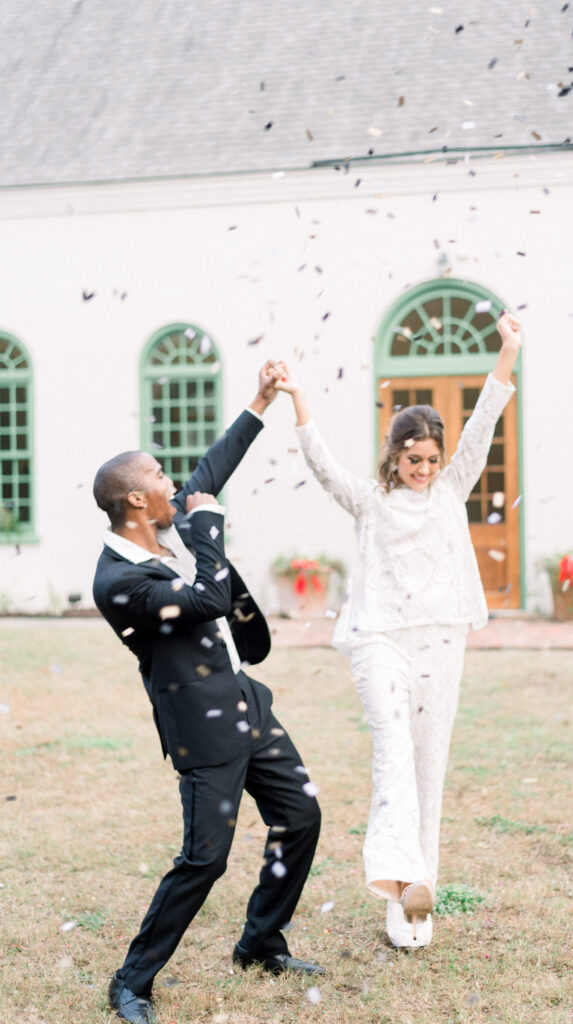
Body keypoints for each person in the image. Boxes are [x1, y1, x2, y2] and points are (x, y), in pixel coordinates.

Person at [274, 311, 521, 948]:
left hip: (441, 636)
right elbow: (324, 465)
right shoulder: (369, 498)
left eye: (433, 459)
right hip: (379, 636)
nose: (425, 469)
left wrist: (507, 353)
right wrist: (299, 399)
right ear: (395, 454)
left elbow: (483, 425)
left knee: (429, 763)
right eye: (414, 459)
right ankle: (397, 878)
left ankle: (416, 900)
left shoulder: (452, 487)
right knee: (394, 751)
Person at [92, 363, 322, 1024]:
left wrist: (261, 399)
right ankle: (132, 981)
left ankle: (259, 943)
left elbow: (213, 470)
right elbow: (209, 597)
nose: (175, 483)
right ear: (137, 501)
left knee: (301, 818)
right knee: (204, 859)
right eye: (161, 477)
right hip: (202, 725)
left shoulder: (162, 522)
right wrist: (210, 526)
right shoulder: (117, 582)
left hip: (247, 700)